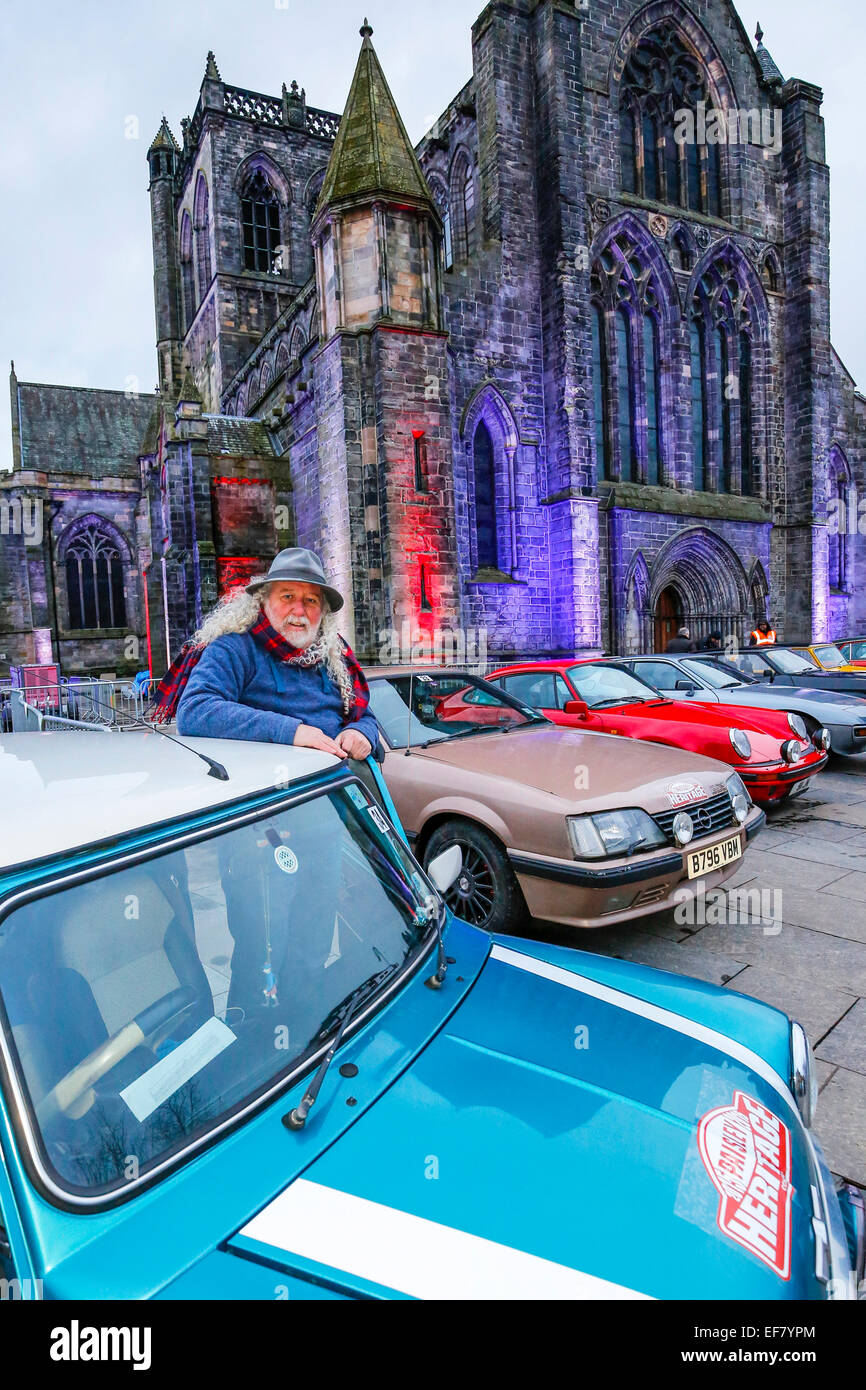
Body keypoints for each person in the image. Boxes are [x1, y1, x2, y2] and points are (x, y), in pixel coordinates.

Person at [151, 547, 379, 760]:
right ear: (264, 600)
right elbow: (195, 710)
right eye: (287, 596)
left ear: (323, 611)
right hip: (274, 790)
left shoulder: (334, 652)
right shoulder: (235, 647)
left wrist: (361, 732)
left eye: (311, 600)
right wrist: (291, 731)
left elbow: (365, 715)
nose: (299, 611)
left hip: (338, 784)